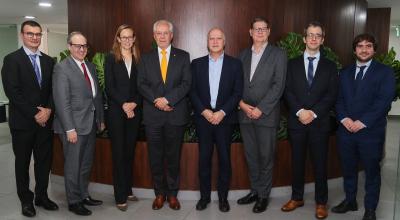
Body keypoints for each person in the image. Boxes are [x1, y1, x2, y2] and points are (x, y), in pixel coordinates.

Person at [332, 33, 396, 220]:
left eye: (368, 46)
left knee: (372, 173)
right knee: (348, 169)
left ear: (374, 49)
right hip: (346, 131)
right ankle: (350, 201)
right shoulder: (344, 72)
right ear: (354, 50)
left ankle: (370, 209)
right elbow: (338, 100)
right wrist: (345, 120)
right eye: (360, 46)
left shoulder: (385, 72)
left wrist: (361, 122)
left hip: (371, 132)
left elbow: (384, 102)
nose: (364, 49)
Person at [1, 20, 59, 217]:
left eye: (37, 34)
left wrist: (49, 110)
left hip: (45, 122)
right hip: (23, 124)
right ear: (22, 35)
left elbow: (53, 89)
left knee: (44, 161)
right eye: (30, 34)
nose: (35, 37)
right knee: (23, 163)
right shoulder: (11, 60)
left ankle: (41, 196)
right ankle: (26, 201)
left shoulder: (49, 61)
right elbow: (13, 93)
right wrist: (36, 114)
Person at [282, 21, 338, 219]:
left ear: (322, 40)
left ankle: (321, 202)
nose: (313, 38)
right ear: (304, 38)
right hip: (297, 123)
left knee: (320, 164)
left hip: (319, 123)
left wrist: (313, 113)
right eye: (310, 35)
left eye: (318, 35)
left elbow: (331, 95)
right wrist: (299, 111)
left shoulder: (330, 67)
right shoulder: (291, 64)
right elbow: (287, 91)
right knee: (297, 163)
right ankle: (297, 197)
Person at [137, 19, 191, 210]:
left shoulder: (183, 57)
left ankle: (173, 195)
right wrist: (158, 101)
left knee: (174, 157)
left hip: (175, 115)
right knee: (155, 157)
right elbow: (141, 84)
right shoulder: (145, 57)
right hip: (153, 116)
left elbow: (186, 84)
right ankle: (159, 194)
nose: (162, 36)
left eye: (165, 32)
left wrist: (168, 100)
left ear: (171, 35)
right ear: (154, 36)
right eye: (158, 33)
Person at [237, 17, 287, 213]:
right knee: (251, 156)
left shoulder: (278, 54)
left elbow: (278, 85)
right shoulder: (242, 56)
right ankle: (255, 191)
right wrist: (241, 104)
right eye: (256, 29)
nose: (259, 32)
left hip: (266, 115)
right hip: (244, 114)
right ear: (250, 32)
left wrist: (261, 108)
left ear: (268, 32)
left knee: (265, 157)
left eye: (263, 29)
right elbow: (237, 84)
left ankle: (264, 196)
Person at [190, 28, 243, 212]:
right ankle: (204, 198)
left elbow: (237, 93)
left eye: (218, 38)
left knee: (224, 160)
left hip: (224, 120)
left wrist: (222, 112)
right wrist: (204, 111)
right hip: (203, 119)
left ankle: (222, 198)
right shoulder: (196, 64)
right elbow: (192, 91)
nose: (214, 41)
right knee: (204, 159)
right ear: (207, 42)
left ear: (224, 41)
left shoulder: (235, 64)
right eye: (211, 38)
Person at [52, 31, 105, 216]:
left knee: (85, 164)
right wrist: (69, 128)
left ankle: (83, 195)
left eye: (84, 46)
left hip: (89, 124)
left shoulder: (89, 66)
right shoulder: (62, 68)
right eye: (77, 46)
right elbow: (61, 101)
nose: (82, 49)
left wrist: (100, 119)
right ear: (69, 47)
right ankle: (74, 201)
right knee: (73, 166)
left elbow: (96, 96)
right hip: (73, 127)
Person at [105, 24, 142, 211]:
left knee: (129, 152)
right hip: (116, 113)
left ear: (134, 39)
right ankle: (119, 196)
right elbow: (109, 87)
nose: (127, 40)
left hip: (134, 113)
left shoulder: (138, 59)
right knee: (118, 154)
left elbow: (141, 86)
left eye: (130, 37)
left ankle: (127, 189)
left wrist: (134, 103)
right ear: (118, 39)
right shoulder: (111, 58)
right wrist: (124, 104)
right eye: (123, 37)